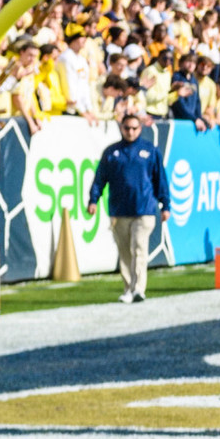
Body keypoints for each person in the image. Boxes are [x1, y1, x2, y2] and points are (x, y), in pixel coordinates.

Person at [86, 109, 166, 304]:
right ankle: (128, 288)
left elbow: (160, 179)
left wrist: (166, 204)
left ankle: (139, 288)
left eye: (134, 128)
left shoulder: (150, 151)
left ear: (140, 129)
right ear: (121, 128)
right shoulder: (112, 152)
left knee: (139, 248)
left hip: (144, 209)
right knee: (124, 252)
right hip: (119, 210)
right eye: (127, 128)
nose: (130, 132)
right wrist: (93, 200)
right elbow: (100, 179)